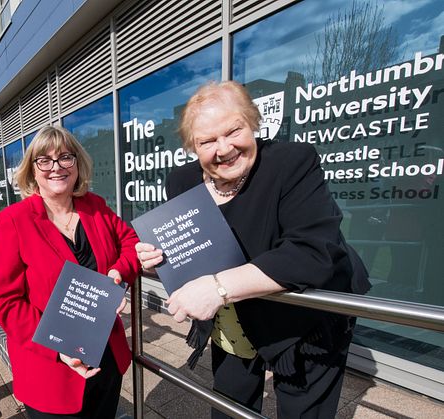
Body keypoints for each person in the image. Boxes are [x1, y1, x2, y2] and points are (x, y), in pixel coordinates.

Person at [136, 81, 371, 418]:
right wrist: (159, 262)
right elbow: (191, 252)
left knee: (303, 409)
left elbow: (310, 254)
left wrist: (218, 287)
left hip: (306, 313)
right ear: (192, 146)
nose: (224, 149)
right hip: (234, 313)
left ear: (253, 122)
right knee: (230, 406)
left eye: (234, 131)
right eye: (206, 141)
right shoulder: (182, 181)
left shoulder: (291, 162)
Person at [0, 126, 140, 418]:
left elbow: (130, 242)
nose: (56, 167)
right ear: (32, 171)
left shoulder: (95, 207)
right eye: (44, 160)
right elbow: (4, 302)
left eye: (65, 157)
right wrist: (59, 348)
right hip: (51, 369)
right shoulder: (13, 221)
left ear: (77, 164)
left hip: (106, 356)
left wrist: (118, 274)